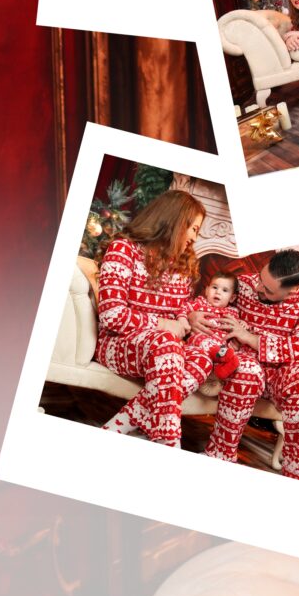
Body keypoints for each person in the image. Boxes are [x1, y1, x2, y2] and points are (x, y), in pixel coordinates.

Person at [95, 190, 215, 446]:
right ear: (173, 222)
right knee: (166, 344)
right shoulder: (123, 250)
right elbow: (111, 315)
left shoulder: (181, 263)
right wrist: (162, 325)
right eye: (192, 228)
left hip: (162, 347)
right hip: (118, 343)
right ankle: (169, 442)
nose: (194, 237)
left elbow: (179, 308)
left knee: (204, 356)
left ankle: (118, 426)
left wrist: (185, 318)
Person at [209, 251, 299, 481]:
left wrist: (250, 338)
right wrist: (193, 316)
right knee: (246, 370)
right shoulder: (243, 284)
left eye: (268, 290)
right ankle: (220, 456)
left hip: (283, 373)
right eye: (260, 280)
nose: (258, 288)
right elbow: (210, 304)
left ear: (292, 290)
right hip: (244, 362)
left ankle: (296, 476)